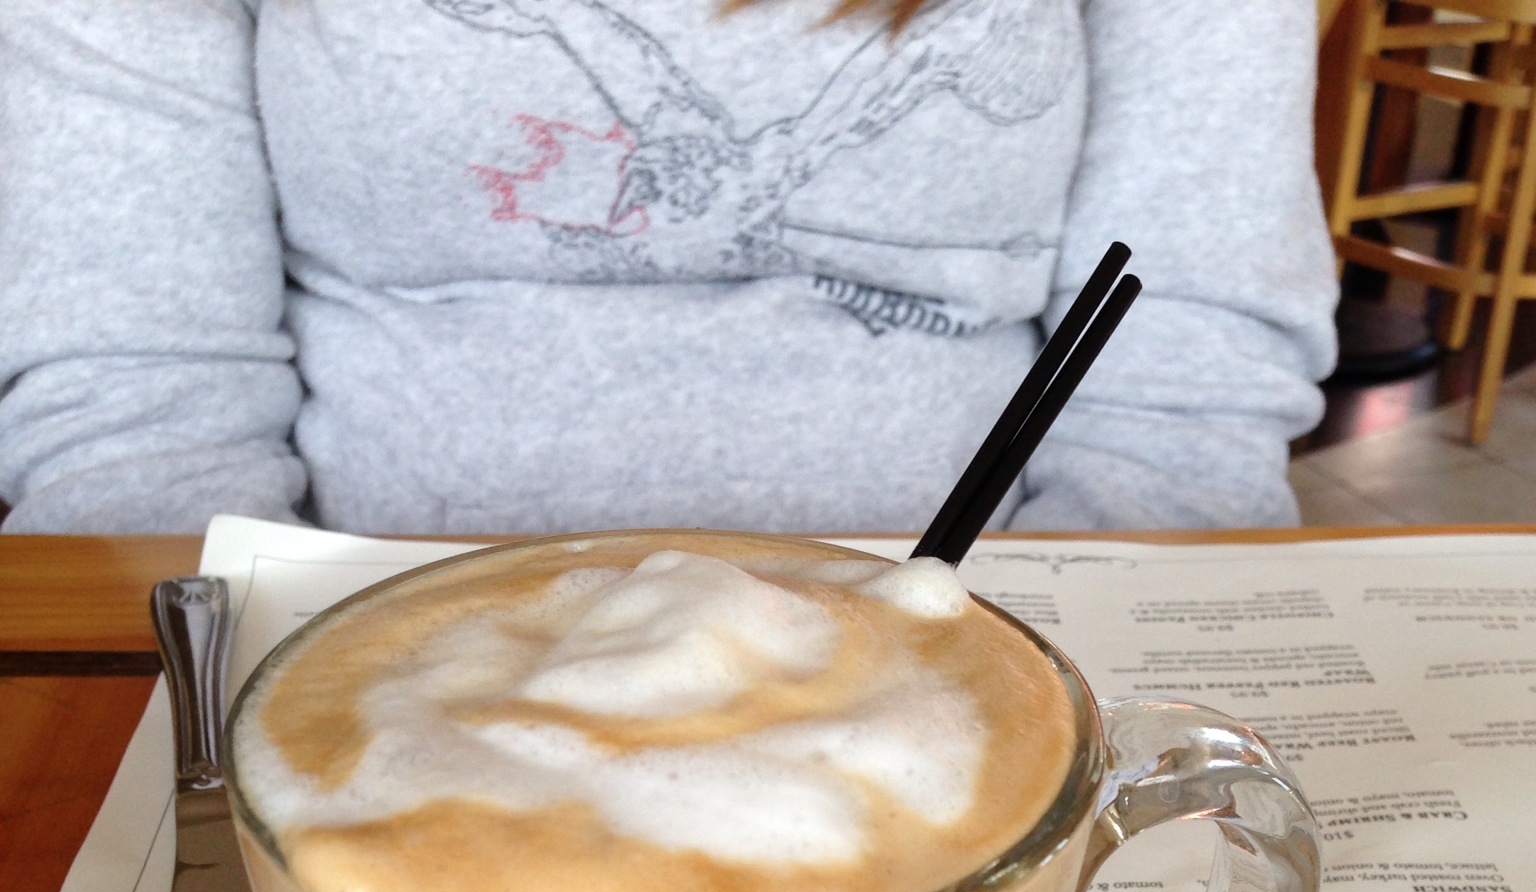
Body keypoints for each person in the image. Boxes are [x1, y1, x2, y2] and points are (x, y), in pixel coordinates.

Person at [0, 0, 1335, 537]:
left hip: (1002, 666)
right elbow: (138, 399)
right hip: (333, 680)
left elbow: (1176, 378)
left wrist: (1027, 688)